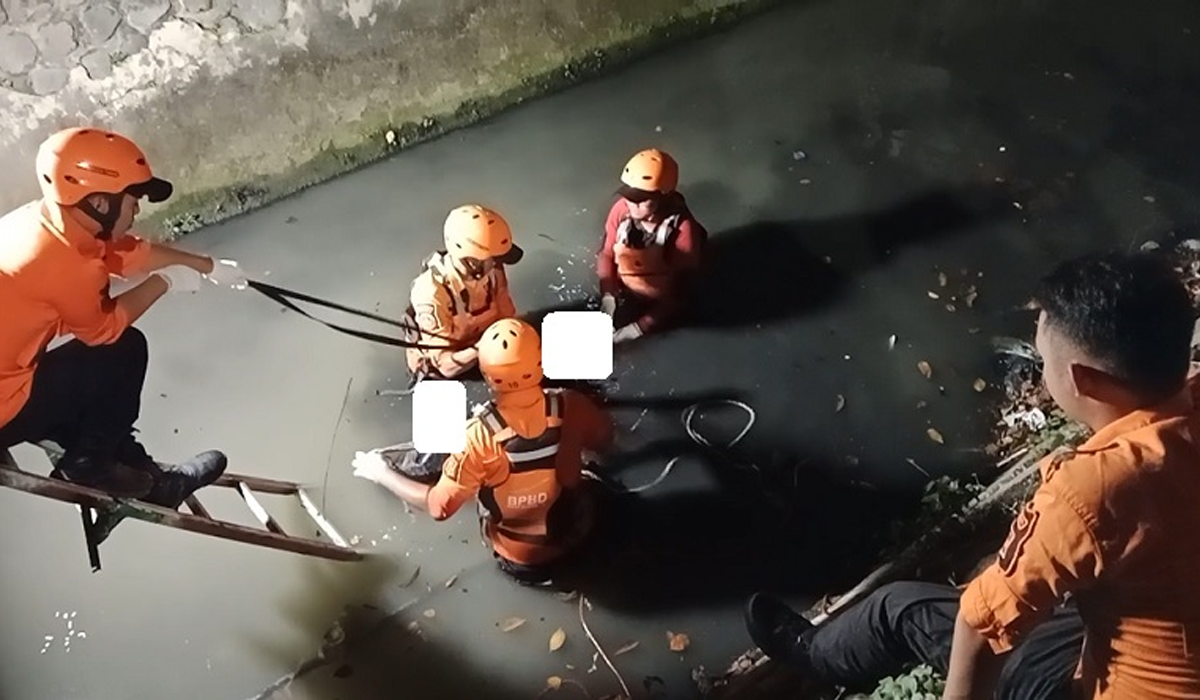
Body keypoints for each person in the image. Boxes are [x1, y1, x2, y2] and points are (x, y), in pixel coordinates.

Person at [745, 251, 1200, 700]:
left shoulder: (1093, 490)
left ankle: (817, 657)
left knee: (899, 609)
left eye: (1045, 362)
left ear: (1083, 380)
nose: (1042, 373)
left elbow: (981, 627)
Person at [0, 126, 246, 506]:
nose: (137, 211)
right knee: (124, 350)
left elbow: (130, 254)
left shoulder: (41, 222)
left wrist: (207, 265)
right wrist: (164, 283)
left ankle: (113, 451)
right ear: (100, 203)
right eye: (133, 201)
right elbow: (104, 331)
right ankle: (90, 464)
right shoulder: (65, 265)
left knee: (86, 369)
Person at [353, 317, 614, 585]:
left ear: (488, 375)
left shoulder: (476, 437)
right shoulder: (573, 404)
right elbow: (605, 441)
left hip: (524, 560)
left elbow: (438, 508)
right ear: (540, 363)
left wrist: (381, 473)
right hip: (583, 532)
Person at [596, 148, 708, 344]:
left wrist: (640, 327)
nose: (632, 203)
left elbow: (681, 292)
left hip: (665, 303)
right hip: (628, 288)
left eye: (641, 199)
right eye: (629, 196)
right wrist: (608, 295)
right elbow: (606, 253)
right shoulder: (620, 210)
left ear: (662, 197)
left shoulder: (683, 230)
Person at [403, 204, 522, 381]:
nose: (498, 263)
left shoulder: (493, 271)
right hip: (449, 365)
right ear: (471, 261)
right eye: (494, 258)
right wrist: (480, 349)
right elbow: (444, 366)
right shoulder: (430, 292)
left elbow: (507, 316)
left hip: (485, 343)